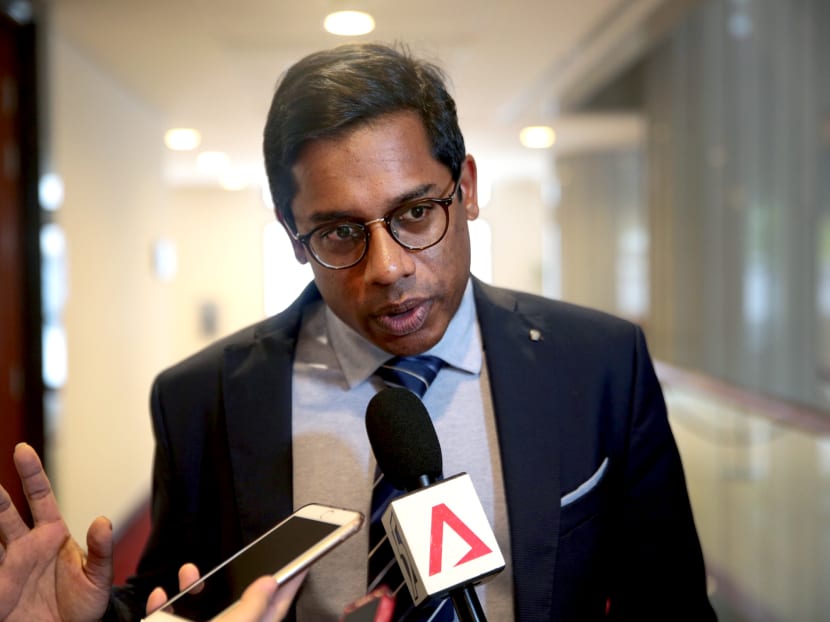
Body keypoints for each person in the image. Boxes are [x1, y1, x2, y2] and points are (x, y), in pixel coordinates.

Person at [0, 43, 717, 621]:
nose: (388, 268)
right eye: (340, 232)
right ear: (293, 236)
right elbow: (180, 600)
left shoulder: (598, 365)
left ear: (466, 188)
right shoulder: (203, 398)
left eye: (415, 213)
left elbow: (671, 604)